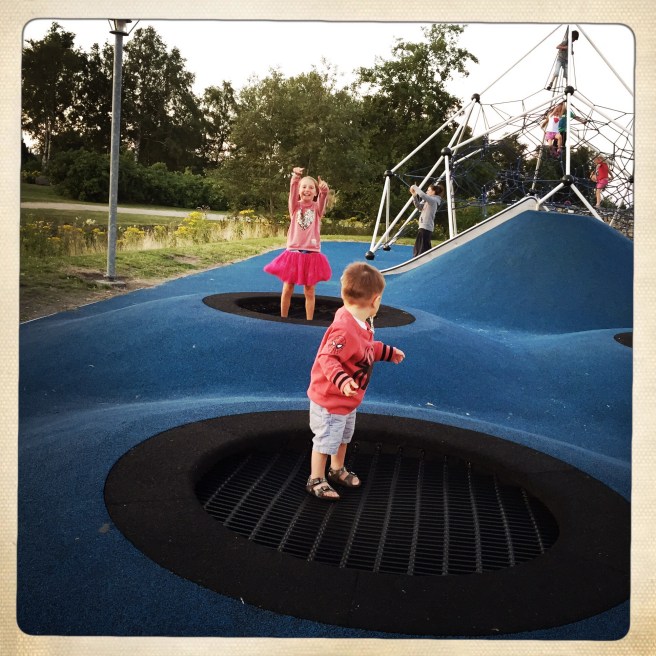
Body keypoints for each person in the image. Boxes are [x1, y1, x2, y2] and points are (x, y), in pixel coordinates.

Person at [305, 262, 406, 500]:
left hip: (348, 400)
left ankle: (336, 469)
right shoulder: (344, 329)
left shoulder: (360, 323)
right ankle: (315, 479)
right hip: (331, 400)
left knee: (342, 437)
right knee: (325, 441)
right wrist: (342, 381)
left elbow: (366, 349)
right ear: (376, 300)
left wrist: (388, 352)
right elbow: (327, 358)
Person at [264, 166, 332, 320]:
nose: (307, 190)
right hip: (294, 252)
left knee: (309, 290)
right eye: (304, 187)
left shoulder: (317, 208)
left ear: (315, 192)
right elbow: (292, 192)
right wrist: (295, 178)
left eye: (311, 187)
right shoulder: (295, 207)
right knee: (288, 287)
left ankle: (309, 320)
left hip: (311, 253)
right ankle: (283, 317)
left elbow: (323, 198)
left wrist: (324, 191)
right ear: (299, 190)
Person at [410, 182, 445, 257]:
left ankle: (420, 260)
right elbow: (419, 206)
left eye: (428, 190)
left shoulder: (433, 201)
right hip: (423, 227)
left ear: (433, 192)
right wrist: (414, 195)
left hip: (426, 227)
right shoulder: (429, 201)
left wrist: (414, 187)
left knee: (421, 249)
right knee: (421, 248)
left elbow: (422, 195)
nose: (426, 191)